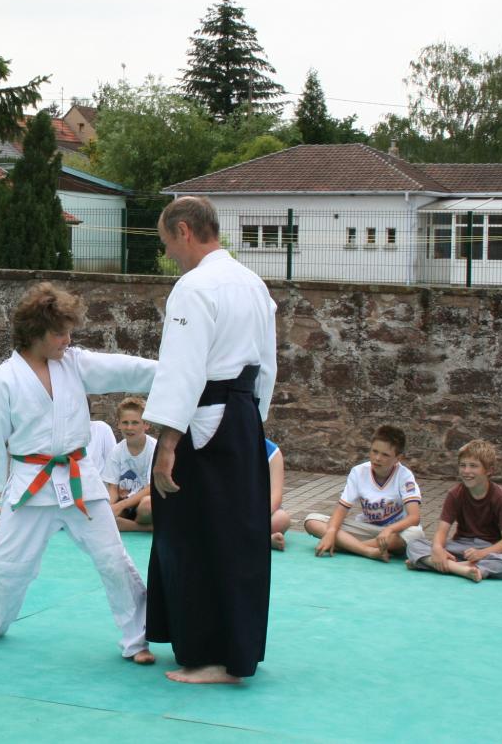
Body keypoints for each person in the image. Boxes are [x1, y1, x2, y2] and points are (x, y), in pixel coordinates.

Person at [0, 282, 158, 665]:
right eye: (59, 333)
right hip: (31, 485)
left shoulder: (74, 363)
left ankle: (137, 639)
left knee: (114, 560)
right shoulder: (4, 379)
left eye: (69, 332)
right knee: (6, 563)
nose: (67, 339)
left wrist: (174, 373)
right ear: (35, 333)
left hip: (80, 478)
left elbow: (124, 368)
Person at [143, 196, 278, 686]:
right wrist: (250, 426)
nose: (170, 255)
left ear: (184, 230)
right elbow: (267, 365)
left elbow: (184, 369)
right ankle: (233, 650)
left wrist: (167, 444)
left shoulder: (194, 286)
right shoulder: (254, 284)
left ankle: (207, 656)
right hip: (241, 419)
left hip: (202, 424)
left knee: (194, 537)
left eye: (167, 245)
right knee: (238, 538)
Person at [304, 425, 425, 562]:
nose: (377, 458)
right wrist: (331, 532)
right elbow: (341, 509)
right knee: (312, 520)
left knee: (415, 533)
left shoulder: (404, 476)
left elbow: (414, 518)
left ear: (398, 458)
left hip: (393, 533)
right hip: (366, 530)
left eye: (385, 455)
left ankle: (347, 546)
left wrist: (389, 529)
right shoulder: (358, 472)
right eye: (374, 451)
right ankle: (367, 551)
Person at [405, 439, 502, 582]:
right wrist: (438, 549)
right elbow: (442, 531)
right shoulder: (455, 494)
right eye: (462, 465)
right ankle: (462, 569)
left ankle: (432, 564)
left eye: (473, 466)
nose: (466, 471)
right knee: (414, 544)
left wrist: (482, 553)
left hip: (490, 549)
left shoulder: (500, 497)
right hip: (461, 546)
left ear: (489, 470)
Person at [0, 417, 113, 533]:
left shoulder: (101, 428)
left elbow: (113, 460)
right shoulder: (54, 431)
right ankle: (8, 514)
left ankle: (12, 514)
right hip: (54, 486)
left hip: (88, 489)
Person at [103, 397, 156, 533]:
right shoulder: (116, 451)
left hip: (146, 503)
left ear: (146, 424)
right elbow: (113, 489)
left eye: (135, 423)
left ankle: (133, 526)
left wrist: (121, 505)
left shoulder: (155, 448)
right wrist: (109, 507)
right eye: (125, 422)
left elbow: (152, 488)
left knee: (147, 505)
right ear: (119, 424)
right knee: (105, 516)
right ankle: (146, 528)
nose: (129, 427)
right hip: (126, 503)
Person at [267, 439, 291, 551]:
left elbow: (275, 498)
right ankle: (264, 539)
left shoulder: (272, 452)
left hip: (259, 513)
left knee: (281, 518)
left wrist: (256, 519)